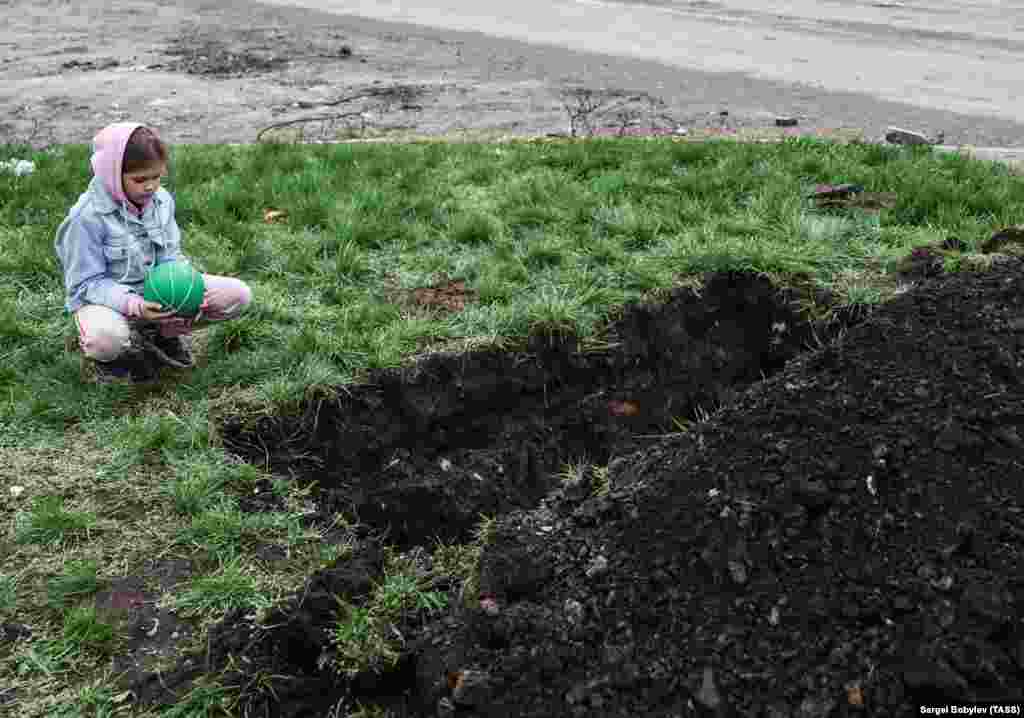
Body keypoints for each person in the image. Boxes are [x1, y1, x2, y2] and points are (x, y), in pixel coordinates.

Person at [54, 122, 253, 383]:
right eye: (139, 179)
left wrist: (188, 287)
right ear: (112, 174)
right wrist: (134, 305)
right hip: (106, 302)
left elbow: (171, 255)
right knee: (105, 340)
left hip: (155, 296)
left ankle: (162, 335)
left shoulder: (161, 200)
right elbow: (85, 285)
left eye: (156, 177)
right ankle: (115, 360)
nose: (150, 187)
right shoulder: (85, 218)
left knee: (237, 296)